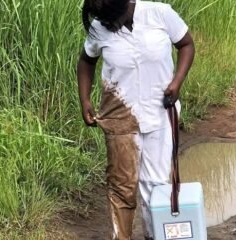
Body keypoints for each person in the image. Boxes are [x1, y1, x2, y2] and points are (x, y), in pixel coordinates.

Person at [77, 0, 195, 239]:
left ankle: (156, 235)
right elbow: (86, 61)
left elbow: (186, 45)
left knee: (157, 186)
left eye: (111, 21)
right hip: (119, 116)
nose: (107, 25)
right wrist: (85, 100)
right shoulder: (101, 26)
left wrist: (177, 82)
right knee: (122, 187)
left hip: (161, 113)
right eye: (102, 21)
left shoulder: (160, 14)